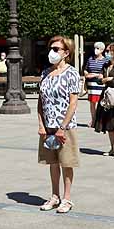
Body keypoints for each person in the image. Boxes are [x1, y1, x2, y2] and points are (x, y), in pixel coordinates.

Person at [37, 35, 82, 213]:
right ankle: (54, 196)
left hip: (65, 127)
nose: (52, 52)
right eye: (51, 48)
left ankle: (67, 198)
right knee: (52, 163)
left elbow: (73, 103)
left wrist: (62, 127)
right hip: (48, 126)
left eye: (56, 49)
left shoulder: (71, 73)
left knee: (66, 162)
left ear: (66, 53)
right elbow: (41, 101)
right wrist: (41, 124)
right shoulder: (46, 73)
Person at [94, 41, 114, 158]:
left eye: (109, 51)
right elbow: (99, 79)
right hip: (107, 96)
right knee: (109, 124)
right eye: (107, 51)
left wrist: (106, 79)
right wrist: (105, 78)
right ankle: (112, 148)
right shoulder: (106, 65)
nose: (107, 53)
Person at [83, 41, 108, 126]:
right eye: (95, 48)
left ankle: (99, 120)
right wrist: (86, 74)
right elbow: (86, 69)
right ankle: (93, 120)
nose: (95, 50)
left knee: (101, 102)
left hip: (100, 84)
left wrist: (96, 75)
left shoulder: (105, 60)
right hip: (91, 84)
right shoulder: (90, 59)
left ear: (102, 50)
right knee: (92, 103)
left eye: (98, 48)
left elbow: (104, 73)